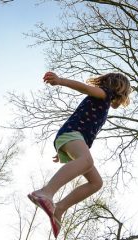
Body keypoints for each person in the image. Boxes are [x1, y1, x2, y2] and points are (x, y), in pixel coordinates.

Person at [27, 71, 131, 238]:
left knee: (96, 182)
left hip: (73, 139)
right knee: (87, 160)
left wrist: (63, 150)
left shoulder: (104, 102)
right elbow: (84, 88)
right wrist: (60, 81)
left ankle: (59, 208)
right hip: (72, 134)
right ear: (119, 89)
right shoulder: (104, 93)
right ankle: (46, 192)